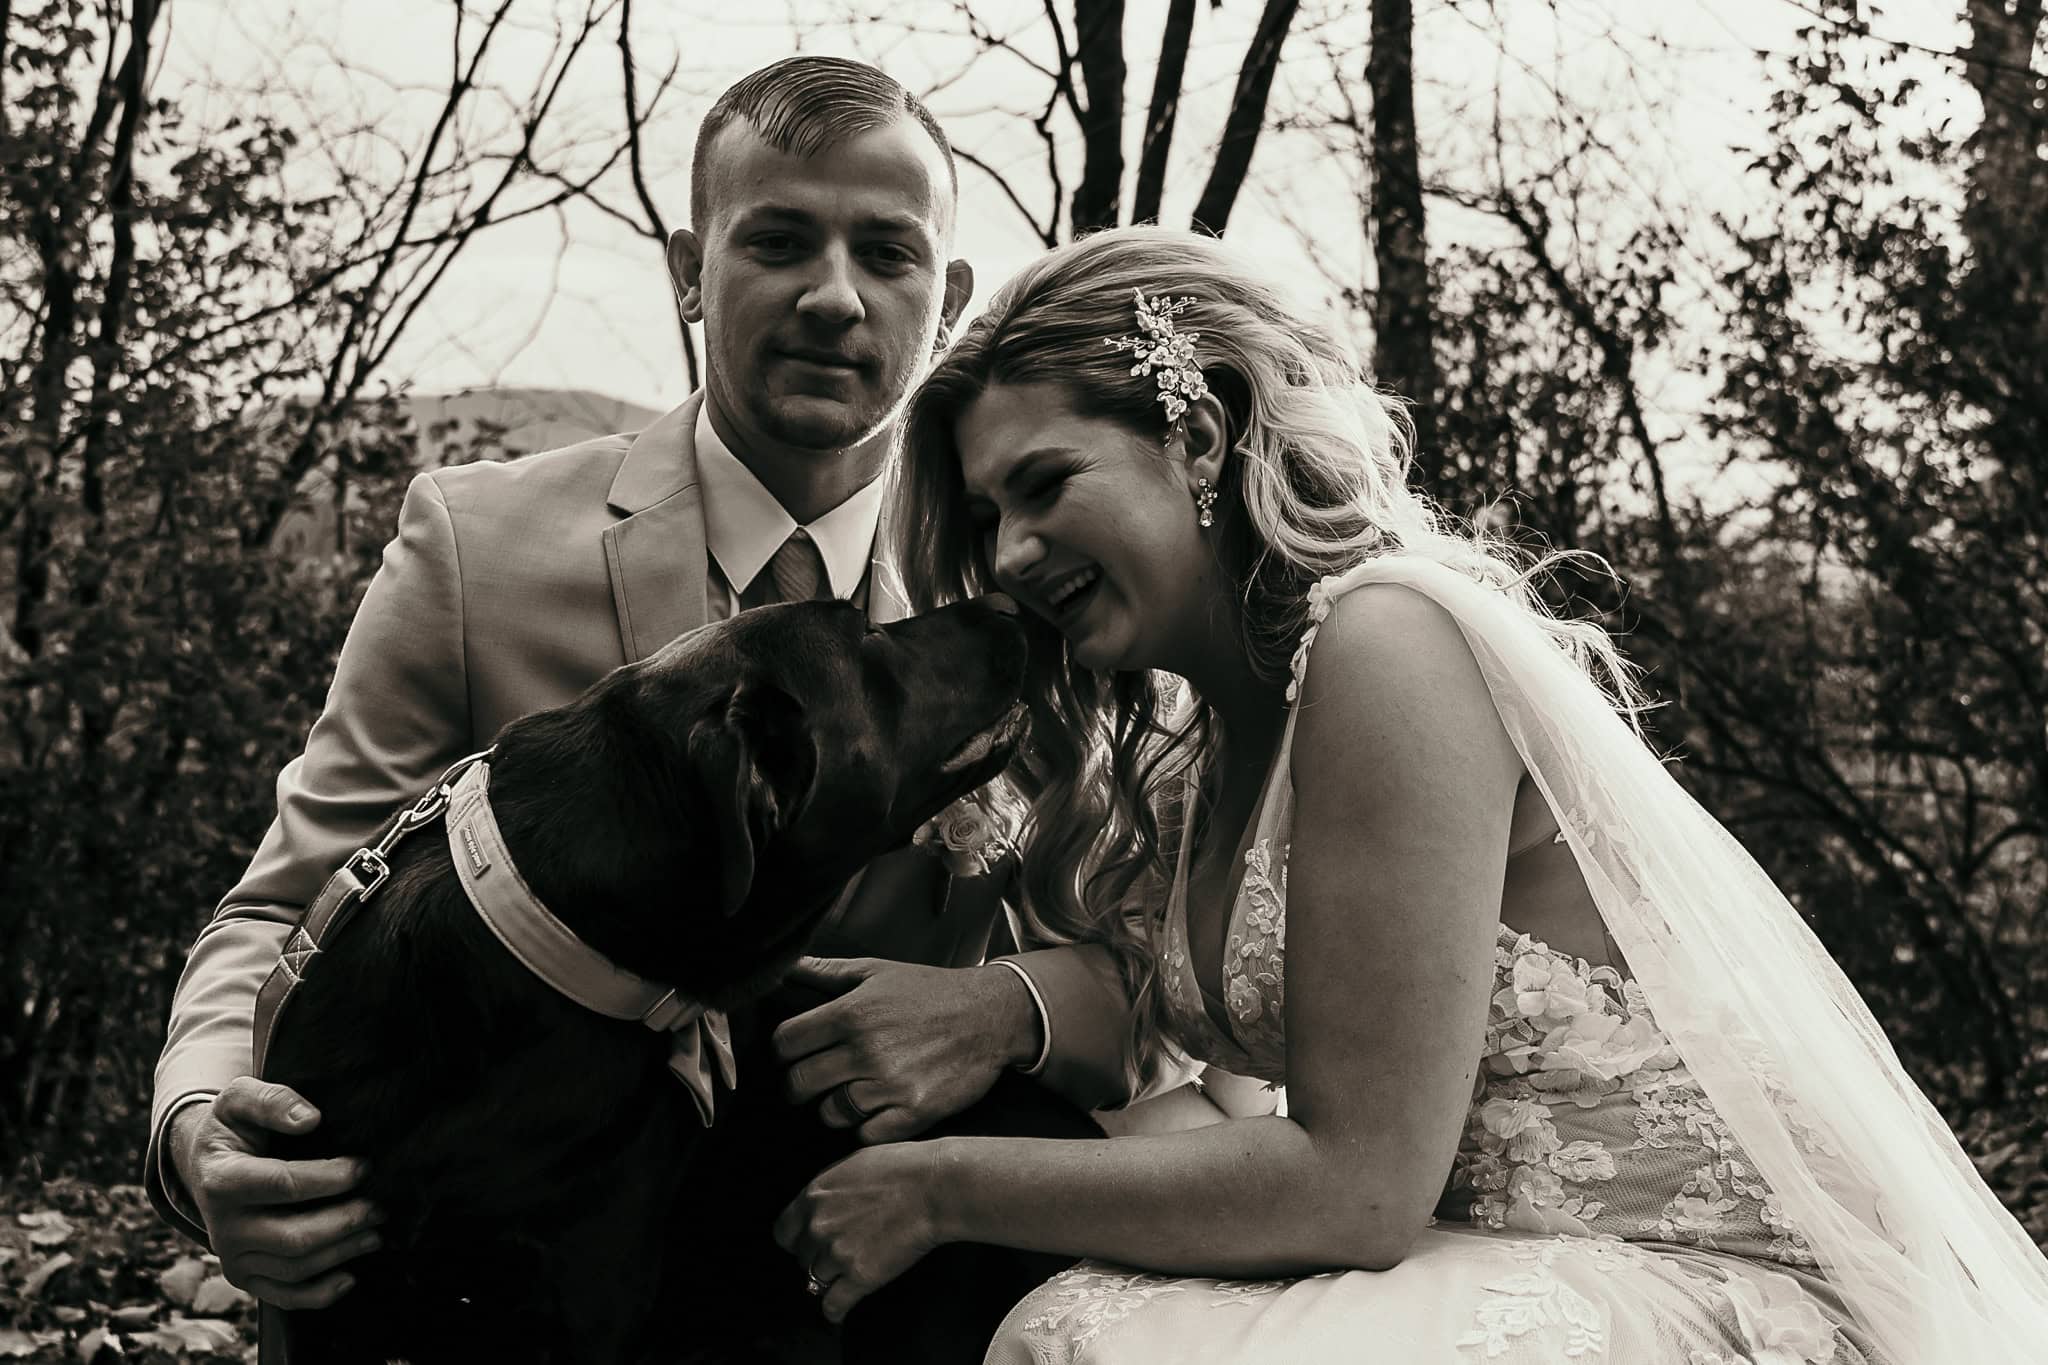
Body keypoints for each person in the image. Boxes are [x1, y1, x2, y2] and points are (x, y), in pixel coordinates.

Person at [772, 225, 2048, 1363]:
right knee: (1067, 1317)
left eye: (1045, 485)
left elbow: (1359, 1184)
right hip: (1469, 1242)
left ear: (1199, 433)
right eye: (990, 514)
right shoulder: (1203, 743)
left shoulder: (1390, 644)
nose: (1008, 554)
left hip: (1702, 1281)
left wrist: (940, 1188)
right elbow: (1191, 1058)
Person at [145, 56, 1164, 1361]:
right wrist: (200, 1124)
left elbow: (1161, 969)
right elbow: (290, 908)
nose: (836, 295)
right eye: (779, 240)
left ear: (948, 297)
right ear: (691, 268)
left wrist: (1006, 1007)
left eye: (888, 253)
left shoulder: (1033, 584)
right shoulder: (476, 550)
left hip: (893, 1290)